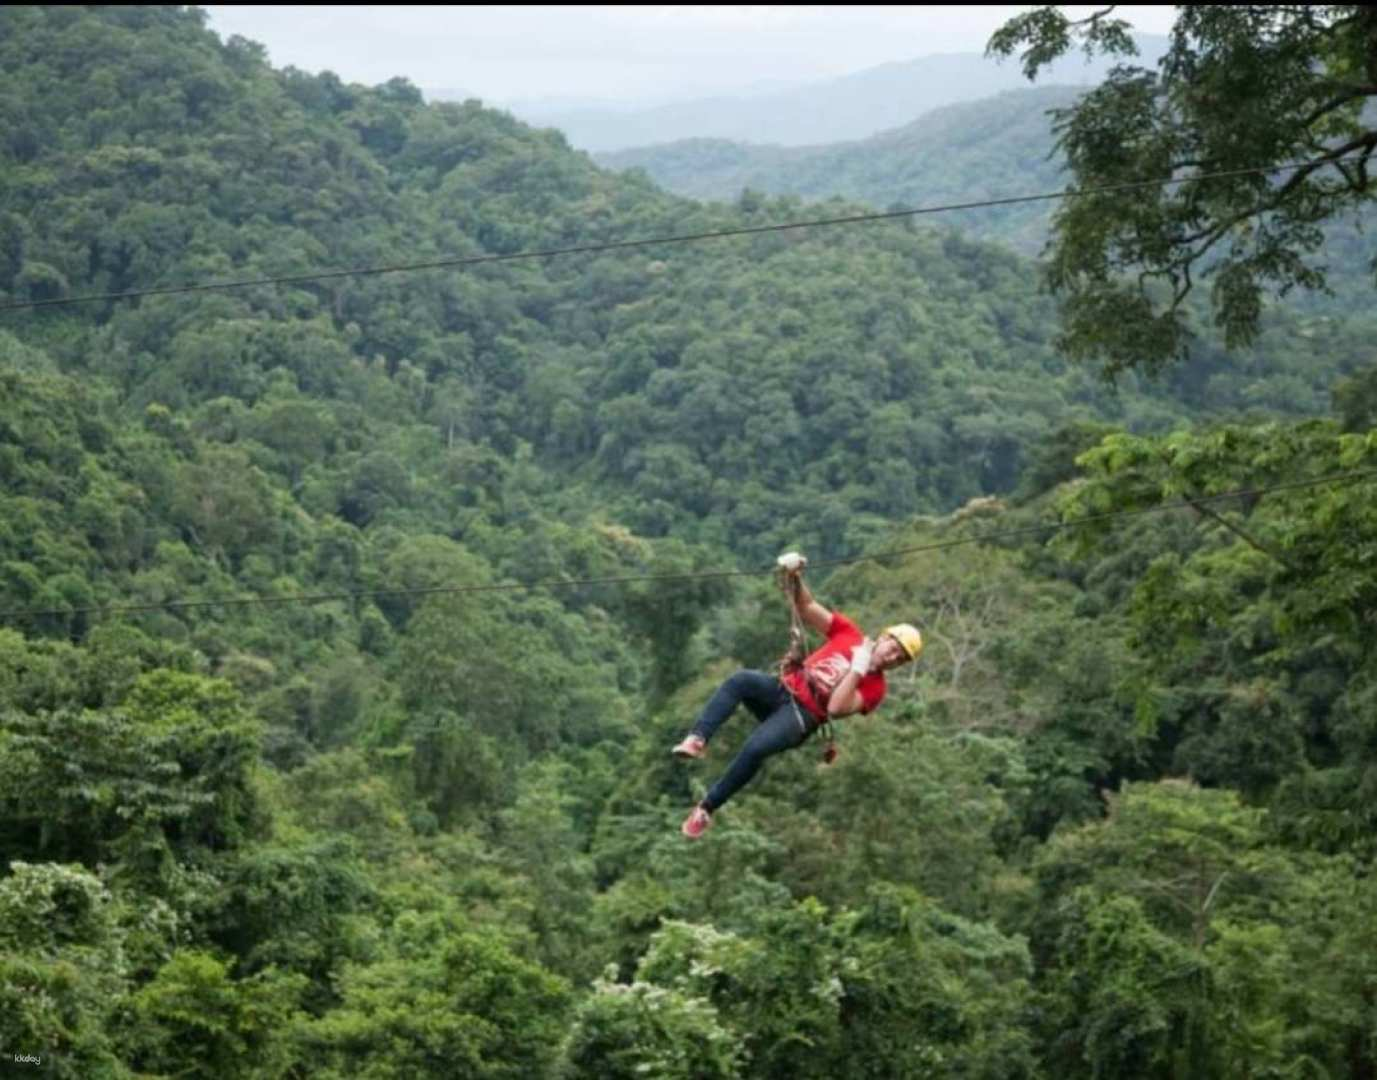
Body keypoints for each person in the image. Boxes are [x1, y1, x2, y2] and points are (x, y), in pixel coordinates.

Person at [673, 551, 922, 839]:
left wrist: (859, 668)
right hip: (785, 688)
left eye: (900, 658)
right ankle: (697, 739)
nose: (892, 656)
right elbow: (807, 606)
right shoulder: (850, 635)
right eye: (893, 647)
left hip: (801, 716)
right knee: (740, 681)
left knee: (755, 749)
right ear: (884, 637)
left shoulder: (875, 688)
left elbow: (837, 708)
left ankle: (706, 808)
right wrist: (795, 576)